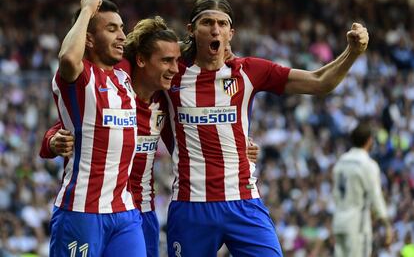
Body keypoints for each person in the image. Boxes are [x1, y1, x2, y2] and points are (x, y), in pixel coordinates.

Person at [163, 0, 370, 257]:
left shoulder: (249, 71)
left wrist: (352, 53)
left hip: (243, 202)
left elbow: (319, 82)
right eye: (207, 22)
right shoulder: (170, 73)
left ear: (231, 33)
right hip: (191, 205)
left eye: (222, 24)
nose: (215, 29)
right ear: (191, 30)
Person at [40, 16, 260, 257]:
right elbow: (72, 119)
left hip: (141, 213)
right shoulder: (117, 85)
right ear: (142, 61)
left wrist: (242, 146)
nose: (175, 69)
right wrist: (52, 140)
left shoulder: (166, 100)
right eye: (167, 61)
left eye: (176, 62)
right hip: (95, 207)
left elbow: (197, 129)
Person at [48, 0, 146, 256]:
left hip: (124, 212)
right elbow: (68, 58)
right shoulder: (81, 77)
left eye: (122, 28)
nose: (122, 36)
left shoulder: (124, 77)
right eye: (111, 29)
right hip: (82, 211)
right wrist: (87, 10)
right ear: (89, 39)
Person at [332, 121, 392, 257]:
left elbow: (335, 193)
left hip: (339, 220)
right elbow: (376, 196)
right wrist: (386, 223)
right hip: (356, 224)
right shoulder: (368, 164)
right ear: (369, 140)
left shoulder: (341, 161)